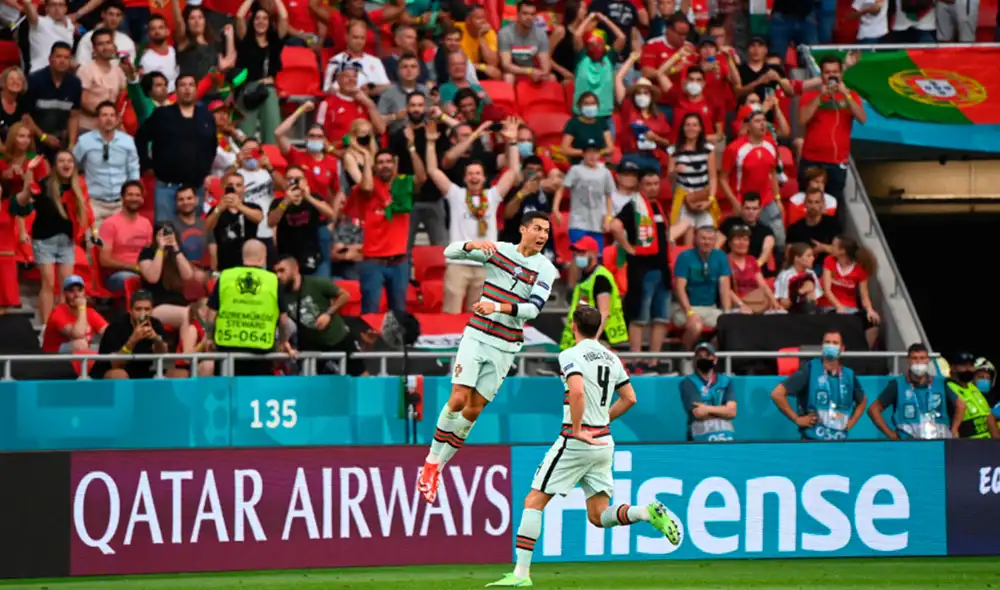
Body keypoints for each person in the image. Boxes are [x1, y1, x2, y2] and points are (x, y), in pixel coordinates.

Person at [486, 305, 678, 588]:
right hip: (603, 442)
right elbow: (630, 398)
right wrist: (602, 420)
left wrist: (577, 430)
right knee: (598, 516)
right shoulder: (612, 358)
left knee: (533, 501)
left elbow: (576, 391)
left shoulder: (570, 355)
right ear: (598, 328)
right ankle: (645, 513)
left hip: (576, 442)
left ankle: (521, 574)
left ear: (573, 326)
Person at [418, 211, 558, 503]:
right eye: (537, 228)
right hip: (477, 336)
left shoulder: (545, 269)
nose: (543, 235)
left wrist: (495, 306)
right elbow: (449, 252)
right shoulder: (500, 252)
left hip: (506, 346)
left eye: (546, 231)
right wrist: (472, 246)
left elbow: (533, 310)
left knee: (473, 410)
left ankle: (439, 468)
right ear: (522, 229)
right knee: (457, 398)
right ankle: (430, 462)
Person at [425, 119, 520, 314]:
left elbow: (513, 172)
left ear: (484, 178)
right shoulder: (456, 195)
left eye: (478, 173)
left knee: (478, 318)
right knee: (450, 314)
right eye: (470, 174)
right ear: (465, 178)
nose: (474, 177)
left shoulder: (492, 196)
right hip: (458, 265)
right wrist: (430, 143)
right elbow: (433, 171)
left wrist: (512, 143)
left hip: (485, 266)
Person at [14, 150, 94, 324]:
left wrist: (88, 236)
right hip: (43, 240)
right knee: (48, 283)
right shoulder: (45, 184)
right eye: (61, 161)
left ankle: (62, 324)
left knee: (67, 286)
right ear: (55, 166)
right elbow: (25, 197)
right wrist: (29, 171)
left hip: (66, 241)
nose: (66, 164)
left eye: (69, 161)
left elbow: (86, 213)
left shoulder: (78, 186)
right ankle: (45, 326)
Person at [136, 73, 217, 224]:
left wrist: (206, 173)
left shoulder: (206, 117)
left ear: (196, 89)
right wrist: (146, 164)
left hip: (195, 188)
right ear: (176, 90)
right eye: (182, 85)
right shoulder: (162, 115)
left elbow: (212, 146)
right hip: (167, 186)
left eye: (191, 85)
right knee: (165, 234)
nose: (187, 89)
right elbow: (140, 138)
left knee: (192, 236)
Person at [207, 239, 294, 376]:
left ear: (243, 257)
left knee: (228, 393)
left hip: (227, 348)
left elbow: (211, 315)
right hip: (260, 350)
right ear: (263, 258)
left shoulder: (225, 277)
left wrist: (209, 338)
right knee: (255, 394)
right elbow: (283, 319)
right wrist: (284, 341)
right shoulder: (273, 280)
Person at [275, 255, 368, 376]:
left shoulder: (316, 283)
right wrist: (284, 341)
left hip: (336, 336)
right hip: (312, 343)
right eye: (276, 271)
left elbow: (344, 295)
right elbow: (283, 319)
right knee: (312, 382)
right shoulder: (282, 294)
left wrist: (328, 314)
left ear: (295, 269)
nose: (278, 275)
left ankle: (368, 394)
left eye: (282, 270)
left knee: (360, 374)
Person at [770, 330, 868, 440]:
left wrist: (852, 421)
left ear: (842, 349)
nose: (831, 346)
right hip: (812, 442)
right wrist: (797, 419)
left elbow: (862, 400)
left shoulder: (849, 375)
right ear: (822, 347)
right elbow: (777, 394)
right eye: (827, 342)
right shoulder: (811, 369)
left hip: (840, 443)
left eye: (835, 343)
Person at [868, 343, 965, 440]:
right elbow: (873, 410)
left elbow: (961, 405)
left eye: (922, 358)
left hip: (939, 443)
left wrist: (954, 430)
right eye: (914, 358)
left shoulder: (940, 383)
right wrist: (891, 434)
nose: (919, 362)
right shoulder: (898, 384)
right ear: (908, 360)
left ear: (928, 360)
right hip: (909, 445)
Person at [72, 100, 141, 228]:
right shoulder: (85, 141)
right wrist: (79, 193)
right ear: (97, 119)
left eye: (112, 115)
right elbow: (72, 166)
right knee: (94, 244)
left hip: (121, 203)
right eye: (104, 115)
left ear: (117, 119)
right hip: (94, 203)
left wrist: (132, 197)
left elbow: (133, 171)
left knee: (121, 245)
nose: (108, 119)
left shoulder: (128, 141)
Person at [234, 0, 288, 143]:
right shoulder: (246, 40)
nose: (261, 21)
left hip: (268, 90)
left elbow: (284, 17)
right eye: (257, 18)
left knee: (272, 134)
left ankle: (270, 163)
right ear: (252, 21)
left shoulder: (274, 41)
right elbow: (239, 16)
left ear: (270, 22)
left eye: (265, 18)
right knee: (244, 135)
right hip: (248, 90)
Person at [559, 236, 626, 350]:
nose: (578, 256)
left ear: (594, 253)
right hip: (585, 338)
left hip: (599, 340)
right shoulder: (584, 277)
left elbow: (604, 312)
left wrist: (592, 340)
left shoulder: (601, 278)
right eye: (577, 253)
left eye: (583, 252)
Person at [267, 165, 336, 275]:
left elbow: (331, 215)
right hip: (287, 257)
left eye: (298, 179)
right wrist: (286, 202)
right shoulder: (278, 202)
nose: (294, 182)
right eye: (290, 179)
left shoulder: (314, 198)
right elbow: (271, 222)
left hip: (312, 255)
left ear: (304, 180)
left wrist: (308, 197)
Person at [91, 290, 171, 380]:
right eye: (138, 309)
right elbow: (116, 363)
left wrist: (156, 339)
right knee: (120, 374)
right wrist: (133, 339)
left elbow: (164, 357)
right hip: (109, 373)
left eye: (147, 309)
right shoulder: (116, 327)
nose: (143, 314)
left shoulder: (156, 324)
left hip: (144, 371)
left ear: (152, 310)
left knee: (177, 374)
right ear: (130, 310)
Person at [137, 221, 197, 330]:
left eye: (168, 233)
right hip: (156, 305)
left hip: (178, 302)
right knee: (187, 315)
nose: (166, 237)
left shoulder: (176, 253)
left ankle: (188, 347)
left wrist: (175, 247)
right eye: (161, 234)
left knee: (200, 311)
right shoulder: (147, 252)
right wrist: (160, 249)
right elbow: (152, 278)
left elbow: (188, 276)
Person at [98, 180, 153, 292]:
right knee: (135, 280)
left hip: (144, 271)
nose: (134, 198)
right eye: (130, 195)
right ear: (122, 198)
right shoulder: (110, 223)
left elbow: (150, 253)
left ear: (142, 199)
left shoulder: (146, 223)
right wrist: (133, 267)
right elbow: (104, 260)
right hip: (117, 275)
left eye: (138, 195)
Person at [206, 171, 265, 272]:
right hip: (225, 264)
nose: (234, 188)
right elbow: (206, 228)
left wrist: (238, 205)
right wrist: (219, 209)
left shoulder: (252, 207)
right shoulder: (216, 209)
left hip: (250, 264)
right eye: (230, 185)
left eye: (238, 185)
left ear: (244, 188)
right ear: (224, 187)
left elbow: (258, 217)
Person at [680, 342, 736, 441]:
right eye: (700, 356)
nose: (703, 359)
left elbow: (732, 412)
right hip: (700, 436)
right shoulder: (689, 382)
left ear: (715, 360)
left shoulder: (726, 381)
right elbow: (699, 413)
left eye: (707, 356)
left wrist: (707, 408)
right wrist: (723, 410)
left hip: (726, 436)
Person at [41, 274, 108, 353]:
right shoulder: (58, 311)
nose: (76, 295)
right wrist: (82, 307)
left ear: (84, 293)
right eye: (71, 291)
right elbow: (77, 334)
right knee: (79, 344)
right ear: (64, 293)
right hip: (53, 354)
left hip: (82, 352)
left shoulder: (91, 312)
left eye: (79, 290)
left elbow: (109, 332)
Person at [945, 351, 993, 439]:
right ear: (953, 367)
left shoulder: (972, 387)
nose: (968, 369)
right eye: (964, 365)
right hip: (967, 444)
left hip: (987, 443)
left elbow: (988, 417)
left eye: (971, 365)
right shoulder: (947, 387)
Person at [774, 243, 823, 313]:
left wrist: (811, 293)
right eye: (808, 256)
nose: (813, 258)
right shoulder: (785, 275)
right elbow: (784, 304)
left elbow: (816, 300)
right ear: (797, 258)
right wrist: (801, 291)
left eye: (813, 255)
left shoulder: (811, 273)